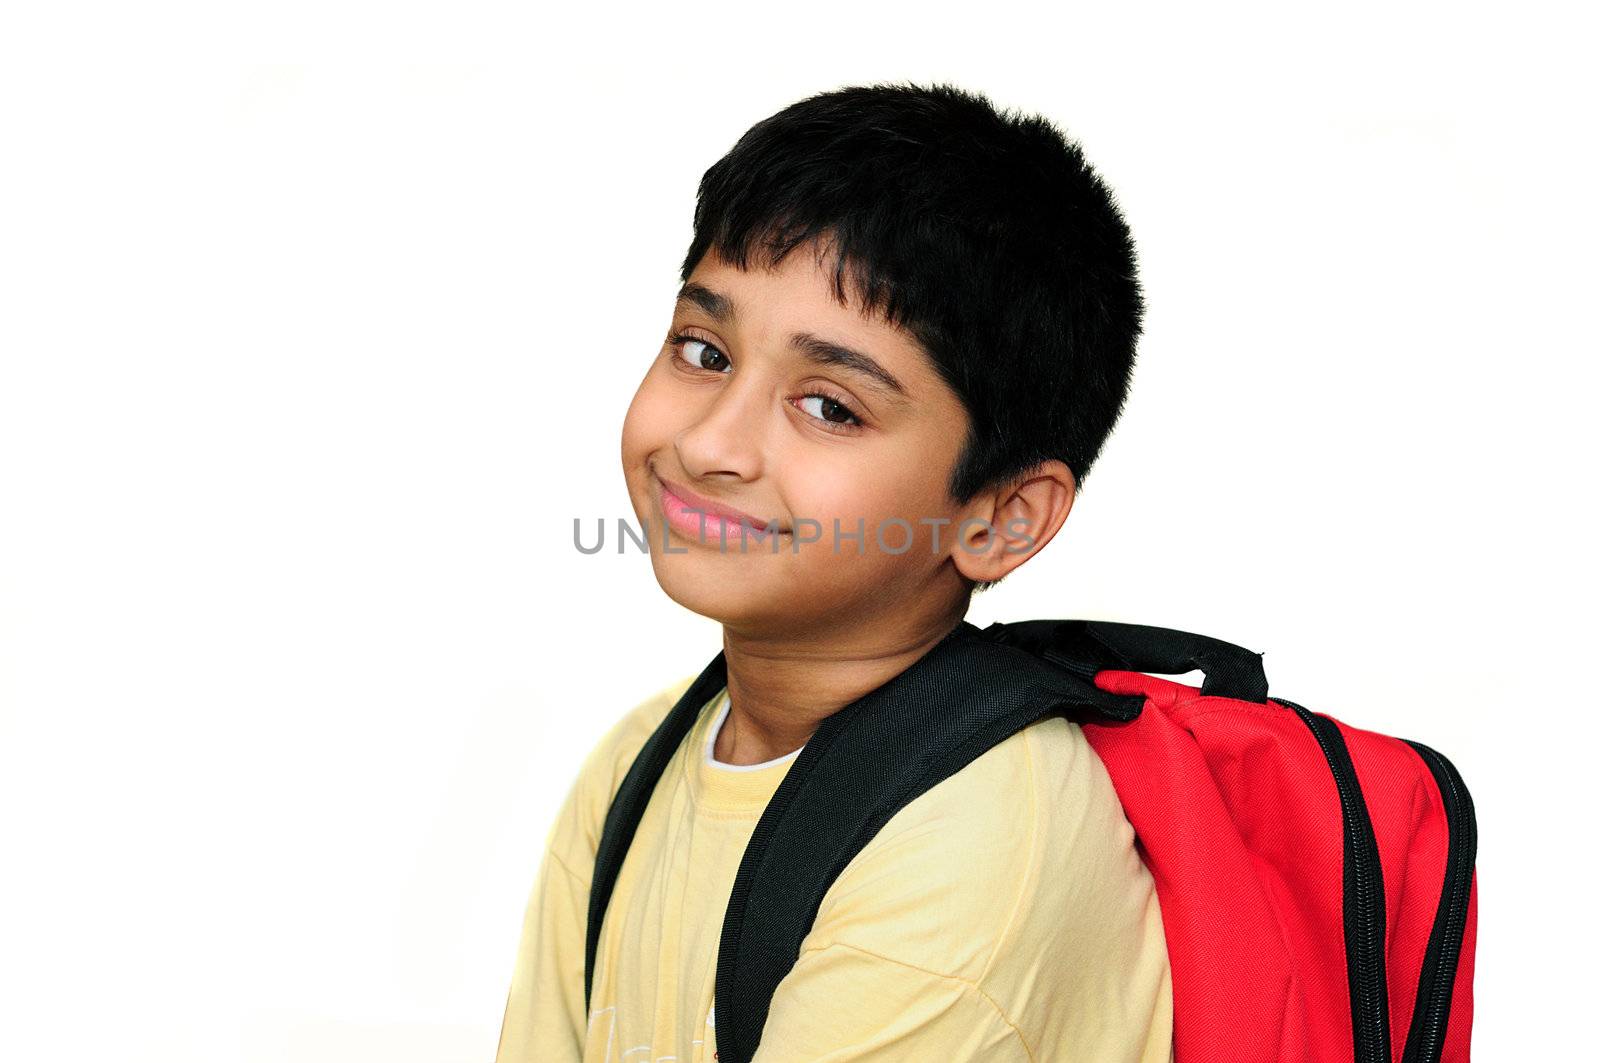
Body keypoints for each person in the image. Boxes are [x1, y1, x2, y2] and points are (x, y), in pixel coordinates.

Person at [495, 80, 1174, 1062]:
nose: (710, 442)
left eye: (829, 407)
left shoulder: (972, 838)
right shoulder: (637, 766)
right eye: (701, 348)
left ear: (999, 517)